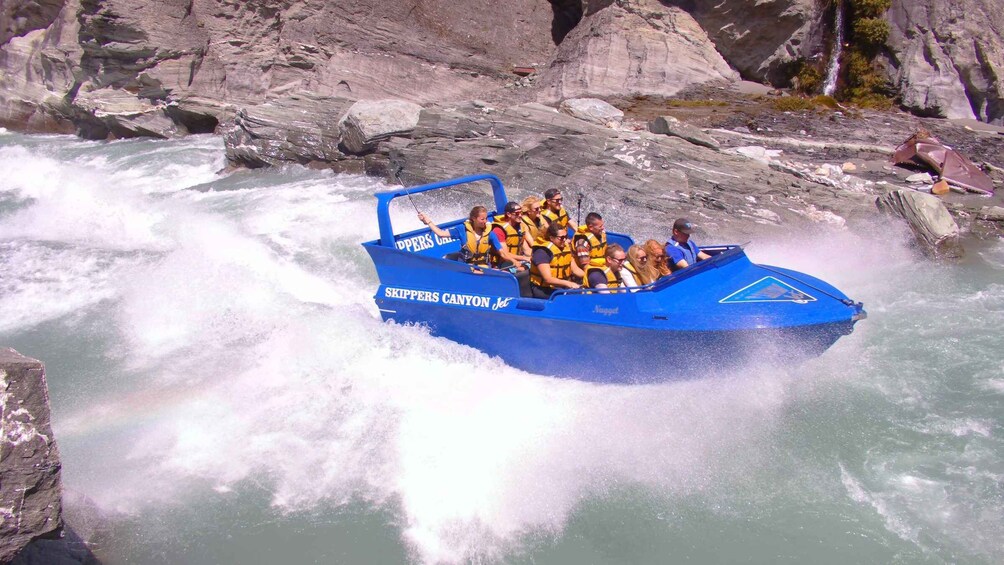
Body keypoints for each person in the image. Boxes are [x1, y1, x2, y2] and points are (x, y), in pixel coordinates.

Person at [418, 206, 491, 267]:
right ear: (473, 218)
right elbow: (441, 234)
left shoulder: (489, 232)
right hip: (465, 268)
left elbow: (501, 250)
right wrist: (428, 221)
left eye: (486, 218)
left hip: (483, 268)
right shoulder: (462, 229)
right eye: (482, 219)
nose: (485, 221)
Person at [529, 222, 584, 298]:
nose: (564, 240)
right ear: (551, 238)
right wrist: (568, 283)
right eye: (561, 238)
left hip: (560, 286)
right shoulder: (542, 253)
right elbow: (548, 279)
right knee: (574, 296)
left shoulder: (564, 249)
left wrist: (588, 276)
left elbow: (575, 270)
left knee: (586, 291)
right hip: (544, 289)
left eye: (566, 236)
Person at [489, 201, 531, 270]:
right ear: (509, 214)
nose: (520, 215)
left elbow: (526, 250)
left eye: (521, 213)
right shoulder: (499, 230)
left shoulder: (520, 228)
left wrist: (534, 257)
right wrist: (524, 258)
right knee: (522, 269)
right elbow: (505, 254)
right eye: (517, 213)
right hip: (502, 263)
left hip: (517, 260)